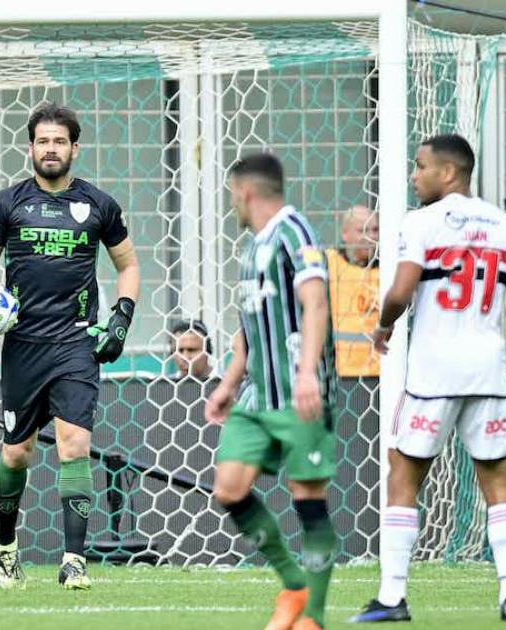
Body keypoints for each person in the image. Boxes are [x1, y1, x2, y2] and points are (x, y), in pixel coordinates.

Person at [352, 134, 506, 623]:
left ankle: (393, 598)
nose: (414, 175)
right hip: (487, 372)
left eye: (420, 166)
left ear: (449, 172)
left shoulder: (422, 222)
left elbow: (400, 289)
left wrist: (384, 326)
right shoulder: (505, 225)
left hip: (434, 373)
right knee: (498, 480)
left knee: (404, 475)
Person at [0, 102, 141, 591]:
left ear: (75, 148)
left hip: (76, 342)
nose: (51, 149)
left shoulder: (100, 206)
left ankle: (73, 560)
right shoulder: (7, 203)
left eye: (60, 141)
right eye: (43, 141)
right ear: (30, 147)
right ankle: (6, 547)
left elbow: (128, 267)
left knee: (75, 445)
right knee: (18, 454)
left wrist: (120, 318)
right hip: (23, 345)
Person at [204, 153, 339, 630]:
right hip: (258, 397)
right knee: (230, 488)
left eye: (231, 196)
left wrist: (306, 374)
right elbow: (249, 325)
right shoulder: (252, 247)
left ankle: (313, 618)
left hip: (299, 393)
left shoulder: (293, 232)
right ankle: (294, 584)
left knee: (308, 500)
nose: (232, 205)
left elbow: (316, 303)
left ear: (245, 192)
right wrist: (228, 382)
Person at [326, 205, 381, 377]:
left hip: (382, 373)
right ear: (345, 234)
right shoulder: (329, 263)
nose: (370, 237)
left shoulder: (390, 268)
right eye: (362, 230)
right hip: (340, 372)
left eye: (375, 230)